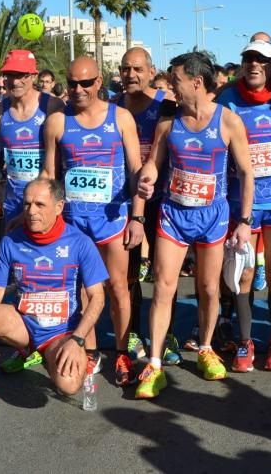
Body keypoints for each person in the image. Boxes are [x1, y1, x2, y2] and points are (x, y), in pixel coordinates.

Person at [134, 51, 254, 398]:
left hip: (213, 217)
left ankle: (204, 347)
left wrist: (244, 221)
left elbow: (246, 173)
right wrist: (148, 179)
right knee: (163, 288)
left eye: (176, 81)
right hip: (174, 214)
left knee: (210, 288)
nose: (171, 87)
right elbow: (154, 165)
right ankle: (154, 364)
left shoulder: (228, 121)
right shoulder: (168, 124)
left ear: (196, 83)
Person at [0, 178, 108, 426]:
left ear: (59, 207)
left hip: (61, 332)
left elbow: (98, 299)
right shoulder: (11, 241)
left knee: (68, 385)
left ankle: (50, 357)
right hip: (24, 325)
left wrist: (77, 340)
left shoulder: (80, 243)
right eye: (27, 204)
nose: (31, 211)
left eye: (40, 204)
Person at [41, 56, 146, 387]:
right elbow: (49, 173)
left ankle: (121, 354)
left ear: (99, 82)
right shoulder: (57, 122)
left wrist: (138, 216)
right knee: (83, 291)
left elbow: (136, 172)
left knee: (118, 288)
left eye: (85, 83)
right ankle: (91, 351)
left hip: (112, 220)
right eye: (72, 83)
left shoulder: (121, 118)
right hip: (73, 224)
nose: (78, 89)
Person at [215, 39, 271, 372]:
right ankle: (245, 342)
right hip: (240, 203)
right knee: (243, 276)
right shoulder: (227, 98)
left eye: (261, 60)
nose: (254, 64)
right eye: (248, 58)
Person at [0, 49, 62, 373]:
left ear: (33, 76)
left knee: (51, 277)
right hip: (13, 205)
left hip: (44, 207)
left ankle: (58, 340)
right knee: (20, 278)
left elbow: (64, 154)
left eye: (20, 75)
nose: (13, 80)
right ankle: (25, 345)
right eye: (9, 75)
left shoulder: (52, 107)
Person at [117, 47, 180, 365]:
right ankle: (130, 333)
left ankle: (165, 335)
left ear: (151, 70)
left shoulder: (167, 104)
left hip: (164, 200)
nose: (131, 75)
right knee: (127, 275)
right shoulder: (113, 107)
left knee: (163, 274)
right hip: (123, 202)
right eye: (125, 69)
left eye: (138, 69)